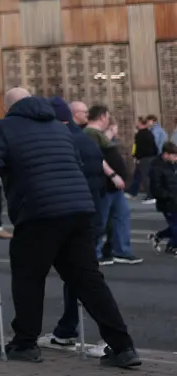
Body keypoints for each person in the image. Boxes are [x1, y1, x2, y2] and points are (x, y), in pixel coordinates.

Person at [0, 89, 140, 368]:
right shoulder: (58, 126)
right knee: (88, 280)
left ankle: (25, 343)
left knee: (28, 277)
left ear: (8, 107)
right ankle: (123, 346)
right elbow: (76, 163)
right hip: (78, 208)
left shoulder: (2, 128)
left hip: (38, 211)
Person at [47, 97, 116, 352]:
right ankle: (67, 328)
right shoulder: (85, 140)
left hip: (73, 216)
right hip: (89, 212)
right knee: (79, 276)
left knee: (85, 277)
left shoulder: (63, 141)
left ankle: (109, 338)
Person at [85, 105, 141, 266]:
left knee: (121, 216)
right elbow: (96, 157)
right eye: (108, 117)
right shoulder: (90, 134)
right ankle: (95, 253)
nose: (108, 120)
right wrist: (113, 175)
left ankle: (121, 250)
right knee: (101, 220)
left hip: (112, 187)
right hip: (105, 185)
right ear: (102, 117)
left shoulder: (98, 135)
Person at [146, 140, 177, 254]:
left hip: (174, 199)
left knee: (175, 225)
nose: (176, 158)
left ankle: (159, 236)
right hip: (167, 202)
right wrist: (170, 196)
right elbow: (156, 188)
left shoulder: (172, 165)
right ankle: (173, 246)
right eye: (174, 156)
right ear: (166, 154)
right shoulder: (157, 167)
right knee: (175, 225)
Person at [131, 117, 158, 199]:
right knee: (150, 176)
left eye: (137, 122)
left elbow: (139, 148)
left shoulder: (140, 134)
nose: (136, 124)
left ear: (140, 123)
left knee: (145, 177)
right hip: (152, 157)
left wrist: (137, 157)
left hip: (144, 158)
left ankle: (150, 196)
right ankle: (153, 194)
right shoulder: (150, 133)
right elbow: (154, 146)